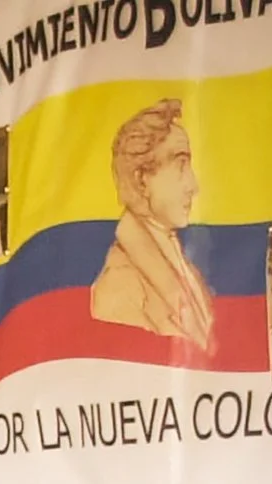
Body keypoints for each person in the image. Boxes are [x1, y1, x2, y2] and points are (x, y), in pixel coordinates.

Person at [89, 100, 216, 354]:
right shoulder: (119, 287)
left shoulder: (189, 271)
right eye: (181, 165)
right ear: (142, 179)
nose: (193, 185)